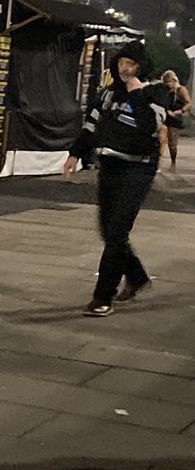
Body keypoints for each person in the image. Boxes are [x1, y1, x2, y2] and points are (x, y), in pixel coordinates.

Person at [63, 40, 168, 317]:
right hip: (109, 166)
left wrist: (137, 94)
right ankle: (136, 276)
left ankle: (103, 297)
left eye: (131, 64)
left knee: (117, 232)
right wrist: (75, 154)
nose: (125, 69)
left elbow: (151, 126)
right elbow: (90, 126)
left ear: (141, 67)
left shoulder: (155, 92)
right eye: (121, 62)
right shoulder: (108, 94)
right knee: (107, 231)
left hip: (137, 169)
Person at [158, 69, 192, 167]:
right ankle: (159, 162)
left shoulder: (181, 90)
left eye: (169, 82)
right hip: (166, 117)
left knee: (172, 143)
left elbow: (189, 103)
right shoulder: (167, 91)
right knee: (161, 139)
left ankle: (173, 161)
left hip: (176, 118)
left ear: (173, 81)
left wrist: (180, 111)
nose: (168, 85)